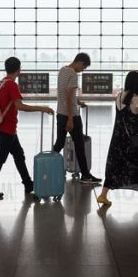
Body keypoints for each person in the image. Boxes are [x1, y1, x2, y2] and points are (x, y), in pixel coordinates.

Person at [0, 57, 54, 198]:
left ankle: (28, 184)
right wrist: (42, 108)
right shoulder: (12, 85)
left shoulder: (1, 83)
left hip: (3, 126)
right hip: (7, 128)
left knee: (19, 155)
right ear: (18, 69)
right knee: (0, 158)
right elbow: (19, 106)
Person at [96, 71, 138, 206]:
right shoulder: (137, 99)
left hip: (117, 140)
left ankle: (103, 195)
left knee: (114, 166)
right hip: (133, 142)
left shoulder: (119, 96)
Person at [53, 52, 101, 184]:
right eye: (84, 67)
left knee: (59, 143)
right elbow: (68, 97)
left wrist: (78, 102)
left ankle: (49, 166)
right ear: (79, 62)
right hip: (71, 115)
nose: (82, 70)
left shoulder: (62, 70)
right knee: (79, 145)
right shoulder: (73, 74)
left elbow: (64, 94)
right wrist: (70, 119)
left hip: (60, 113)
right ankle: (85, 175)